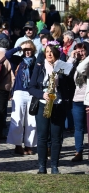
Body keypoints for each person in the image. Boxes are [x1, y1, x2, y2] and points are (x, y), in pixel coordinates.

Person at [28, 41, 74, 174]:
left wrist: (61, 85)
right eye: (47, 51)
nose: (48, 54)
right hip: (43, 104)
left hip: (58, 104)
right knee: (42, 136)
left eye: (51, 52)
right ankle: (42, 167)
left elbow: (71, 86)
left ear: (56, 53)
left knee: (56, 137)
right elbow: (31, 87)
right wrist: (42, 94)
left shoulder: (63, 66)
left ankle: (54, 166)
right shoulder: (40, 66)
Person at [6, 40, 37, 155]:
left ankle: (29, 145)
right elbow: (7, 54)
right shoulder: (18, 60)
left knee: (32, 120)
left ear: (33, 50)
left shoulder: (37, 61)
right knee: (17, 118)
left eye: (30, 49)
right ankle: (17, 145)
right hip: (19, 91)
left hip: (32, 93)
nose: (28, 52)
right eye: (26, 50)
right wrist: (19, 48)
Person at [68, 43, 89, 162]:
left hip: (87, 100)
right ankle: (78, 152)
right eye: (78, 51)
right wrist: (71, 58)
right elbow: (62, 72)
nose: (80, 53)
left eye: (83, 51)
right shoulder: (74, 64)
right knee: (78, 128)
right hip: (77, 99)